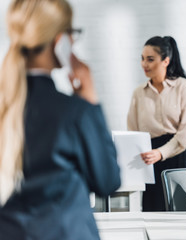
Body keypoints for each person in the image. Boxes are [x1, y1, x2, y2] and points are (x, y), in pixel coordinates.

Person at [0, 0, 121, 239]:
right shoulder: (74, 112)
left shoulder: (6, 108)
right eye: (71, 33)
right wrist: (91, 102)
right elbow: (107, 181)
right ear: (60, 41)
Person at [127, 36, 186, 211]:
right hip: (150, 159)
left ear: (166, 60)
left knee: (180, 208)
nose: (144, 64)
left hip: (179, 155)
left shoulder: (182, 86)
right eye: (142, 59)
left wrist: (161, 153)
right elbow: (132, 131)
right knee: (153, 209)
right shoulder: (138, 93)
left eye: (150, 59)